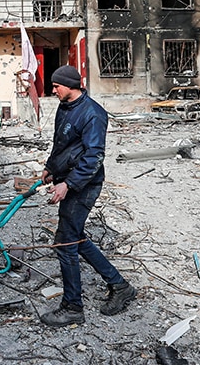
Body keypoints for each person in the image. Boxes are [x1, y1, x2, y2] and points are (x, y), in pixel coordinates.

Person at [39, 65, 136, 326]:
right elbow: (62, 144)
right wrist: (51, 167)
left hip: (85, 185)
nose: (53, 89)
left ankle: (73, 307)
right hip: (70, 181)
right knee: (75, 238)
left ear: (70, 85)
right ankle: (120, 285)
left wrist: (67, 184)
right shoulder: (65, 107)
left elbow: (94, 157)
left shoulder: (93, 114)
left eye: (56, 85)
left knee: (66, 242)